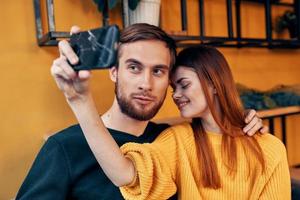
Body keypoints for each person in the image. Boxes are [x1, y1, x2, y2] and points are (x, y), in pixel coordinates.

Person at [16, 24, 266, 200]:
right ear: (114, 71)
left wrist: (242, 124)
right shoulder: (65, 147)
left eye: (158, 71)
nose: (146, 83)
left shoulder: (175, 140)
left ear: (169, 78)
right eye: (134, 67)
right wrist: (79, 98)